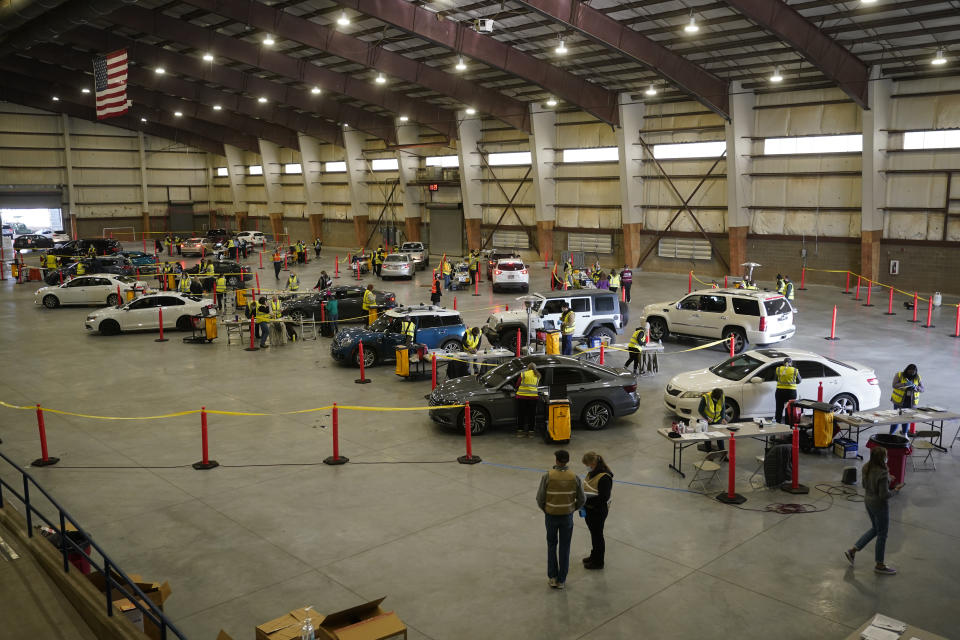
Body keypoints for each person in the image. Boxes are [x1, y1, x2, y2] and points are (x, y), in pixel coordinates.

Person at [844, 446, 902, 575]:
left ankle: (852, 551)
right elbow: (884, 495)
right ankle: (879, 565)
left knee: (875, 529)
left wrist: (887, 479)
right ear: (883, 458)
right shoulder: (882, 473)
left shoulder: (866, 467)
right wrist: (895, 491)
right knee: (882, 534)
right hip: (879, 505)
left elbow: (866, 484)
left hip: (868, 501)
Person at [536, 449, 585, 590]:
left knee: (552, 544)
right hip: (566, 516)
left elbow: (540, 498)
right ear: (567, 461)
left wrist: (546, 509)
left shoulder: (548, 476)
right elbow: (582, 499)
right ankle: (562, 580)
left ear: (556, 460)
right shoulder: (574, 477)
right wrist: (572, 508)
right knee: (565, 546)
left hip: (551, 515)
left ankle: (552, 577)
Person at [581, 451, 613, 570]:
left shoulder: (604, 477)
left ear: (594, 463)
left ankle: (599, 562)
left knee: (597, 536)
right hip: (590, 509)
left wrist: (587, 502)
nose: (587, 467)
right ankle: (594, 555)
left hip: (598, 511)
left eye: (588, 464)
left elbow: (603, 497)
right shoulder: (592, 472)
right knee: (594, 534)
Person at [890, 364, 923, 435]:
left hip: (911, 402)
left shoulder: (917, 377)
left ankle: (905, 434)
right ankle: (891, 434)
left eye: (913, 372)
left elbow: (922, 389)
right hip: (899, 401)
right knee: (896, 419)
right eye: (910, 372)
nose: (911, 374)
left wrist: (916, 387)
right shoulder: (899, 375)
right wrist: (904, 384)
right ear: (907, 370)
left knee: (906, 419)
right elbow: (894, 385)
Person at [696, 388, 728, 452]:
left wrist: (723, 418)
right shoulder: (706, 397)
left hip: (718, 420)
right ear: (712, 396)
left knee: (720, 437)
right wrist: (707, 418)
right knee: (708, 437)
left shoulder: (722, 397)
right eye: (715, 399)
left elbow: (723, 408)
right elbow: (700, 410)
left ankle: (723, 453)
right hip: (708, 421)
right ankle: (709, 453)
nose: (717, 400)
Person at [515, 362, 541, 438]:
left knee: (521, 415)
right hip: (533, 397)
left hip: (522, 397)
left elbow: (517, 384)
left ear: (528, 367)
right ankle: (531, 432)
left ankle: (520, 432)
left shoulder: (523, 374)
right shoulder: (538, 375)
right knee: (532, 415)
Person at [775, 357, 801, 424]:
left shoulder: (778, 369)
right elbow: (799, 381)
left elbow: (776, 379)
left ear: (783, 363)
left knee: (779, 409)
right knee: (790, 409)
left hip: (780, 392)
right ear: (791, 363)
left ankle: (777, 424)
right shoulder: (795, 370)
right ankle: (788, 425)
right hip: (791, 392)